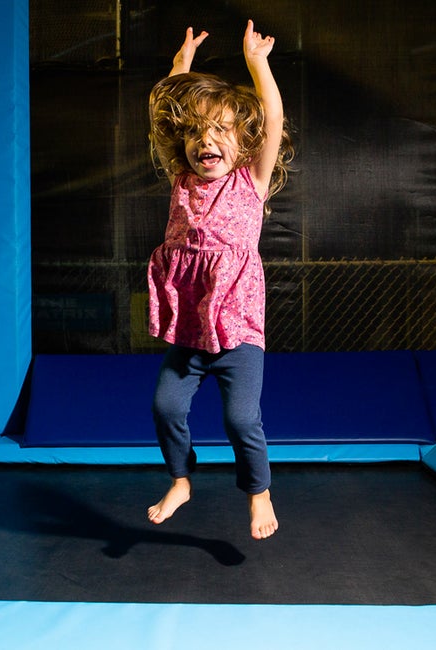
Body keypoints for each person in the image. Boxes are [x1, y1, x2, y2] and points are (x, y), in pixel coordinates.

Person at [145, 21, 293, 540]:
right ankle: (181, 480)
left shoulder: (250, 182)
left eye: (220, 132)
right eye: (196, 134)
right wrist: (179, 67)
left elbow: (272, 116)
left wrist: (257, 63)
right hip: (190, 326)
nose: (205, 141)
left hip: (238, 328)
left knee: (240, 420)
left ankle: (259, 492)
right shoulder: (181, 181)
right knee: (165, 405)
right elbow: (165, 111)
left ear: (242, 143)